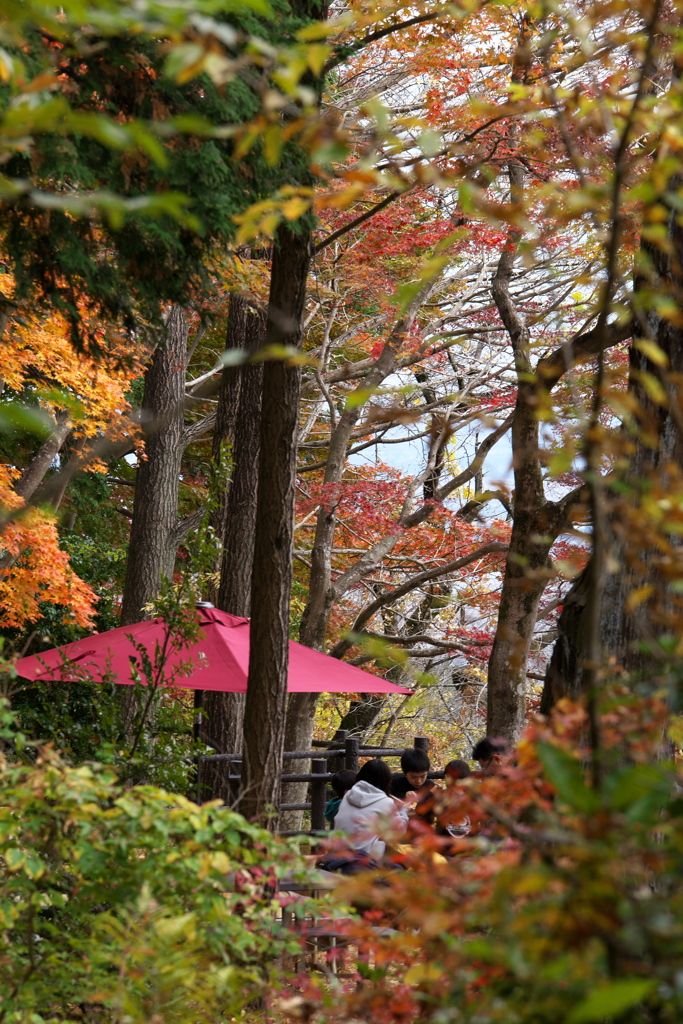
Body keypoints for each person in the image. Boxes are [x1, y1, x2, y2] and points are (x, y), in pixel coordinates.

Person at [334, 758, 409, 860]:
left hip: (338, 853)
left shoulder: (348, 795)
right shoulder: (385, 802)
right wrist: (403, 810)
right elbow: (400, 831)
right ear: (386, 780)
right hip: (364, 859)